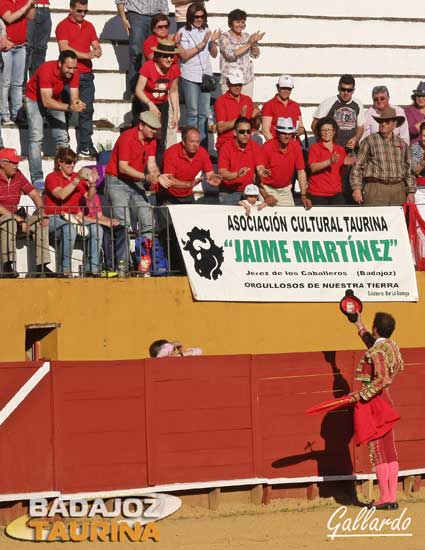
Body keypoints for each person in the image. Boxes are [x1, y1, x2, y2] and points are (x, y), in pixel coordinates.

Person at [349, 311, 404, 510]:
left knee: (379, 451)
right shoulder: (391, 347)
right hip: (386, 400)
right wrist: (358, 324)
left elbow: (383, 379)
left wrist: (360, 395)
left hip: (375, 401)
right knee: (390, 450)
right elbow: (375, 346)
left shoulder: (377, 351)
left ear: (375, 328)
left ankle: (385, 498)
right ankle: (391, 497)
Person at [105, 111, 170, 267]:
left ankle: (145, 262)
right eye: (152, 128)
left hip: (136, 182)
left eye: (156, 129)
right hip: (117, 181)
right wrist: (146, 177)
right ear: (141, 126)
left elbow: (151, 164)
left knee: (147, 220)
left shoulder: (151, 141)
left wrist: (158, 175)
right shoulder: (127, 137)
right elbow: (123, 168)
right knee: (123, 223)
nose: (154, 132)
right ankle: (123, 264)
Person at [25, 50, 86, 190]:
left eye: (74, 68)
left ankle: (62, 174)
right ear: (60, 64)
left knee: (63, 138)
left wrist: (77, 104)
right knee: (36, 137)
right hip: (34, 99)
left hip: (54, 99)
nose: (72, 71)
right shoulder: (46, 69)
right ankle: (37, 177)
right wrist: (70, 107)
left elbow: (74, 97)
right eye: (68, 68)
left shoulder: (74, 73)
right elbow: (46, 102)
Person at [44, 148, 103, 276]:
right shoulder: (51, 177)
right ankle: (65, 269)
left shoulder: (77, 177)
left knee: (97, 229)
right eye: (68, 162)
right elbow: (61, 195)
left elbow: (89, 198)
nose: (72, 165)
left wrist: (93, 185)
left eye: (74, 162)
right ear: (60, 162)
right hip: (53, 216)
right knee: (69, 228)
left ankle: (92, 268)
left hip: (72, 217)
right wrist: (76, 180)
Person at [56, 0, 102, 157]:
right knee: (67, 109)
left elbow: (95, 44)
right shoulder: (62, 26)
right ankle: (63, 144)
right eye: (79, 11)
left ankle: (85, 144)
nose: (82, 14)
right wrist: (89, 54)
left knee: (87, 110)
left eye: (85, 11)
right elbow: (65, 49)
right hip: (69, 74)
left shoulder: (89, 25)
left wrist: (97, 49)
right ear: (71, 9)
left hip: (87, 74)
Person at [0, 147, 55, 278]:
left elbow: (34, 194)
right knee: (9, 220)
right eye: (13, 162)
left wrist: (42, 211)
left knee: (39, 221)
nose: (16, 165)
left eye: (17, 162)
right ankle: (8, 264)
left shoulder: (18, 174)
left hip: (16, 216)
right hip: (5, 217)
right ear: (2, 163)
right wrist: (18, 218)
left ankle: (42, 265)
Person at [350, 107, 416, 206]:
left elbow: (409, 169)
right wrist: (357, 188)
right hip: (376, 188)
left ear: (394, 124)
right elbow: (357, 166)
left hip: (398, 189)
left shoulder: (402, 143)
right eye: (381, 121)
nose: (383, 124)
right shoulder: (369, 141)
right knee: (375, 219)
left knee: (397, 220)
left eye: (387, 122)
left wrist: (410, 192)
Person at [178, 2, 220, 148]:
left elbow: (214, 55)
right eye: (196, 17)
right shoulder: (183, 32)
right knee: (192, 113)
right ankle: (190, 146)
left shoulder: (206, 30)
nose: (199, 20)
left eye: (202, 17)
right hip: (190, 75)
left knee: (204, 114)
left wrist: (213, 42)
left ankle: (203, 148)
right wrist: (202, 44)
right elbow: (184, 56)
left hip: (205, 75)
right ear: (190, 17)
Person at [134, 40, 180, 165]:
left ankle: (157, 170)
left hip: (162, 104)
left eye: (171, 56)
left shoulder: (174, 68)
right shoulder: (149, 66)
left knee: (160, 138)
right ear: (158, 56)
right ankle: (139, 166)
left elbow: (174, 91)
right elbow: (138, 90)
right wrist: (150, 104)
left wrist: (175, 112)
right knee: (144, 136)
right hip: (144, 102)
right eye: (165, 56)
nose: (169, 59)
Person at [115, 0, 169, 97]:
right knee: (136, 54)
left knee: (156, 55)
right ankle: (134, 92)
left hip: (157, 14)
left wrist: (165, 15)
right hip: (136, 13)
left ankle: (154, 90)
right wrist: (123, 17)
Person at [160, 126, 221, 205]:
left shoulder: (202, 152)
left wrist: (213, 178)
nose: (195, 145)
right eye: (192, 142)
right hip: (168, 195)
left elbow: (209, 174)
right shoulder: (171, 153)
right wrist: (189, 184)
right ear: (183, 142)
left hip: (187, 194)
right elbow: (169, 180)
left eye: (198, 141)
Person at [257, 117, 308, 208]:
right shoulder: (267, 147)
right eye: (283, 133)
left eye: (289, 133)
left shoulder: (295, 146)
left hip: (285, 189)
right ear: (277, 133)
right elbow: (258, 171)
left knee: (289, 219)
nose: (287, 136)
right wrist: (266, 195)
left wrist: (303, 195)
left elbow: (301, 172)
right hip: (267, 188)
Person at [0, 0, 35, 125]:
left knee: (18, 83)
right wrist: (26, 6)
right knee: (5, 83)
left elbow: (31, 16)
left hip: (21, 46)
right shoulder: (3, 1)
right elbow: (8, 18)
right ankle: (4, 115)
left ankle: (17, 114)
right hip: (7, 47)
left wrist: (31, 4)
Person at [307, 117, 355, 206]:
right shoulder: (315, 148)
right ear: (319, 132)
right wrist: (329, 161)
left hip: (336, 194)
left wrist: (345, 166)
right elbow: (312, 168)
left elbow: (341, 174)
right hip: (317, 194)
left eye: (329, 130)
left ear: (334, 132)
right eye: (323, 130)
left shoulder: (340, 149)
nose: (326, 132)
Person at [218, 8, 264, 98]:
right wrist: (249, 43)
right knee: (230, 108)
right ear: (231, 23)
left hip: (246, 79)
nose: (240, 25)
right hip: (230, 80)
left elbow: (255, 55)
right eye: (237, 22)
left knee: (247, 108)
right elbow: (230, 55)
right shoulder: (224, 37)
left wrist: (254, 43)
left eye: (242, 22)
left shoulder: (246, 36)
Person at [311, 74, 364, 151]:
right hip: (331, 150)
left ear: (353, 90)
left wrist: (356, 138)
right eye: (343, 89)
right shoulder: (328, 102)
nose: (346, 92)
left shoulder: (358, 104)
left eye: (349, 90)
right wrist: (323, 143)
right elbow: (314, 125)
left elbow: (361, 127)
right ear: (338, 88)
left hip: (350, 150)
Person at [217, 116, 262, 205]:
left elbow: (260, 168)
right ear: (234, 132)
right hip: (229, 192)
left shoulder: (255, 146)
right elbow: (222, 173)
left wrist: (262, 171)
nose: (246, 134)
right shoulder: (226, 147)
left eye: (248, 131)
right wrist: (237, 174)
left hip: (249, 193)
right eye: (242, 131)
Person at [214, 69, 257, 152]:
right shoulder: (221, 101)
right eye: (234, 84)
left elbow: (255, 126)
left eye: (240, 84)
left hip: (245, 144)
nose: (237, 87)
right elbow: (220, 128)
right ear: (228, 84)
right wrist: (240, 119)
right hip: (226, 144)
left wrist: (255, 118)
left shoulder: (247, 100)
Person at [261, 74, 304, 141]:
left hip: (293, 145)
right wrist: (275, 146)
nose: (286, 91)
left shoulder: (295, 105)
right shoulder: (269, 105)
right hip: (275, 145)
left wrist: (300, 130)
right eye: (283, 88)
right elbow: (265, 130)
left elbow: (301, 126)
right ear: (277, 87)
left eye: (288, 89)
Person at [25, 0, 51, 81]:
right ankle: (22, 87)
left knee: (41, 49)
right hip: (29, 7)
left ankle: (36, 86)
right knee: (27, 48)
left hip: (45, 8)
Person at [404, 81, 425, 145]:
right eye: (418, 96)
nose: (421, 98)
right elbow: (411, 131)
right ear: (414, 97)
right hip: (416, 144)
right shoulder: (409, 111)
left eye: (423, 96)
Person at [411, 121, 425, 209]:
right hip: (419, 189)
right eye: (424, 136)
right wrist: (423, 161)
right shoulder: (414, 148)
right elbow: (414, 170)